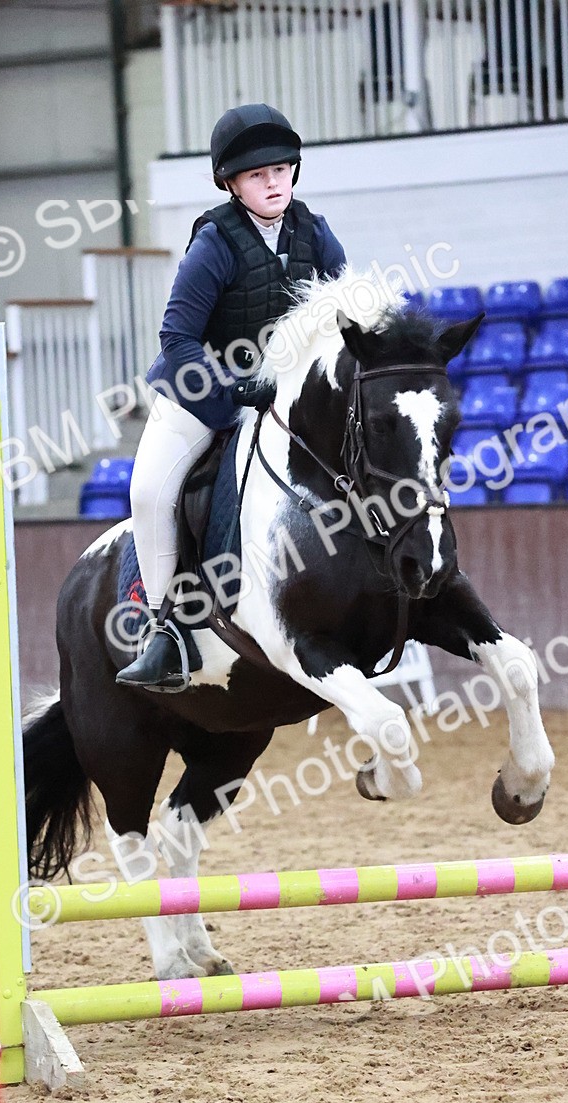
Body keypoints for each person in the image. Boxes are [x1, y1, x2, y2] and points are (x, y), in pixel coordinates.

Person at [117, 103, 346, 691]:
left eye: (280, 170)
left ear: (294, 170)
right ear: (232, 183)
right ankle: (163, 628)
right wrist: (230, 393)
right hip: (199, 395)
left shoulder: (314, 233)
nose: (271, 183)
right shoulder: (216, 243)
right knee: (148, 492)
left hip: (279, 395)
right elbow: (176, 337)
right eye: (255, 175)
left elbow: (342, 314)